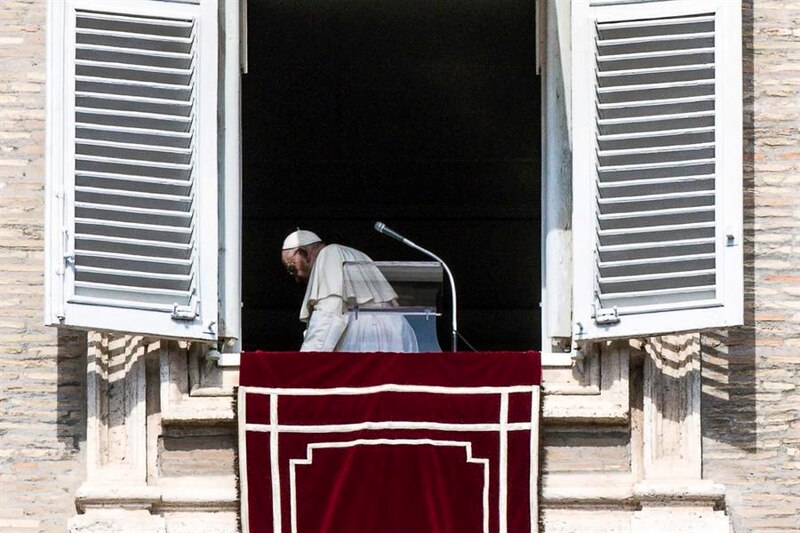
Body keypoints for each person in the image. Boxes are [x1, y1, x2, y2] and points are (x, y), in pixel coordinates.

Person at [281, 229, 419, 352]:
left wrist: (305, 361)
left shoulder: (329, 253)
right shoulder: (355, 253)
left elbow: (329, 314)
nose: (296, 279)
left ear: (305, 253)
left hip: (368, 335)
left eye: (292, 269)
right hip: (397, 331)